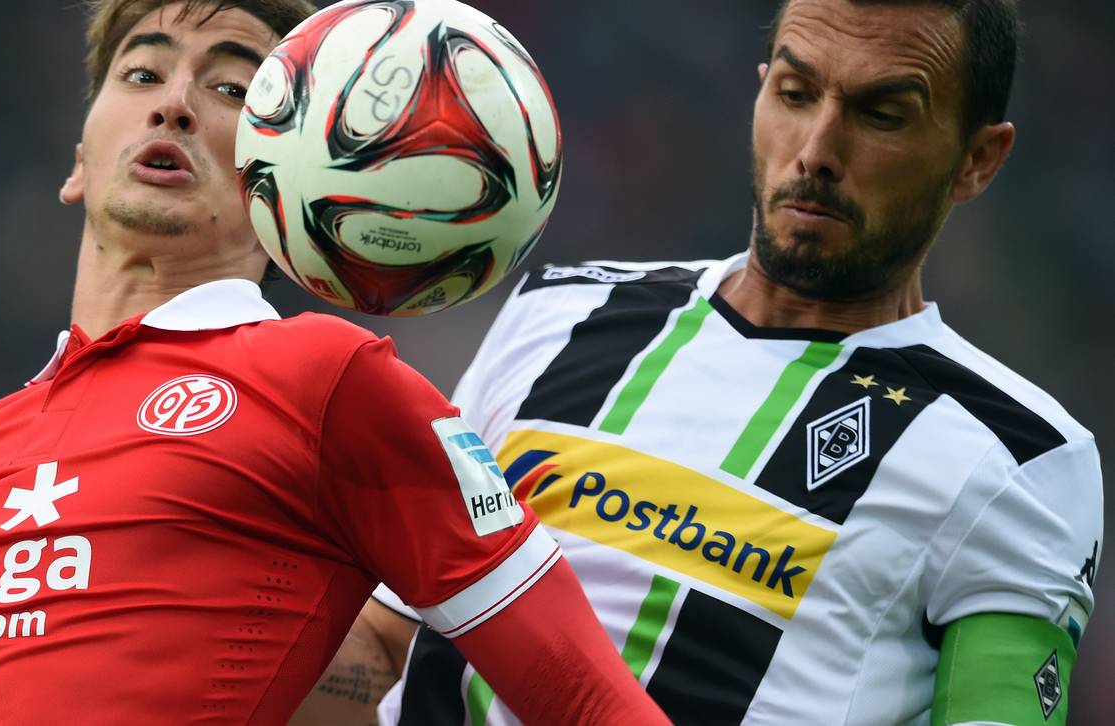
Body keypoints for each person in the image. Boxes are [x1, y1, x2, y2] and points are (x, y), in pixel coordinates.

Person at [0, 2, 671, 724]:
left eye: (232, 88)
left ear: (285, 171)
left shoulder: (327, 380)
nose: (177, 106)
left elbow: (588, 701)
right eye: (142, 75)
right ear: (79, 159)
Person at [311, 0, 1105, 724]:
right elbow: (390, 648)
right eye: (796, 94)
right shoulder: (561, 311)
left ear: (979, 159)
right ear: (761, 93)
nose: (818, 150)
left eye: (883, 115)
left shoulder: (1020, 457)